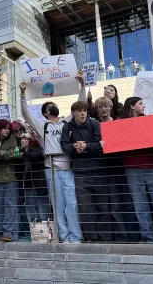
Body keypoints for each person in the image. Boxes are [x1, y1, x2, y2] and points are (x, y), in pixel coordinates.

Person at [20, 77, 86, 243]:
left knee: (72, 204)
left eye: (53, 105)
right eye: (49, 106)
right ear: (45, 113)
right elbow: (26, 114)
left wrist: (82, 86)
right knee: (57, 205)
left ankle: (75, 236)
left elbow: (80, 106)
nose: (53, 106)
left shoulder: (66, 122)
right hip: (51, 169)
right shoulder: (42, 125)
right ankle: (63, 237)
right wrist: (22, 95)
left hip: (67, 168)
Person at [121, 97, 153, 243]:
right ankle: (148, 238)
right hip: (132, 167)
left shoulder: (150, 122)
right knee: (140, 206)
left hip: (152, 166)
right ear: (131, 106)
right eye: (140, 103)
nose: (143, 106)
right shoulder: (120, 123)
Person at [60, 101, 107, 241]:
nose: (82, 113)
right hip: (79, 172)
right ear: (73, 112)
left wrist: (86, 146)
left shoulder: (95, 124)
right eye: (79, 111)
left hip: (98, 170)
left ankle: (105, 238)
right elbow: (64, 146)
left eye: (85, 110)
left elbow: (101, 143)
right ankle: (91, 238)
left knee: (102, 206)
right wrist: (75, 146)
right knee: (85, 208)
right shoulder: (67, 127)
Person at [93, 97, 138, 242]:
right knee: (115, 205)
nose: (104, 109)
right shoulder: (94, 125)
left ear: (111, 107)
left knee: (128, 203)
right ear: (97, 109)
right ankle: (121, 237)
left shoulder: (119, 122)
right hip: (106, 168)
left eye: (106, 106)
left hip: (123, 167)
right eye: (101, 107)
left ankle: (133, 236)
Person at [0, 119, 18, 242]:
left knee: (10, 206)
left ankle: (9, 234)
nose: (7, 131)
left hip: (10, 176)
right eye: (4, 128)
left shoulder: (12, 139)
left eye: (8, 128)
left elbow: (14, 154)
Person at [21, 131, 51, 225]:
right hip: (28, 185)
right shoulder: (23, 152)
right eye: (22, 138)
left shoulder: (36, 149)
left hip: (39, 184)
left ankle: (47, 233)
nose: (23, 140)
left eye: (26, 138)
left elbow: (34, 155)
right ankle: (35, 234)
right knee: (31, 211)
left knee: (43, 210)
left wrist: (22, 155)